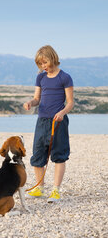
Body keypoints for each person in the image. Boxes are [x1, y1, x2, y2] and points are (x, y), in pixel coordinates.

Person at [23, 45, 74, 202]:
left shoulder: (65, 77)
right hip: (42, 121)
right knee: (38, 155)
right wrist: (31, 102)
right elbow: (37, 98)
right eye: (40, 64)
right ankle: (39, 188)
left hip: (58, 122)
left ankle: (56, 191)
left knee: (59, 155)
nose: (43, 67)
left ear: (52, 58)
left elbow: (71, 102)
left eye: (44, 63)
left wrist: (62, 113)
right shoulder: (41, 77)